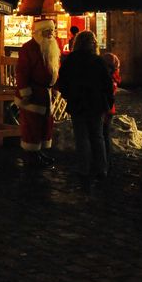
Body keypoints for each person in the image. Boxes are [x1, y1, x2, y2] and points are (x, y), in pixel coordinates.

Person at [56, 30, 114, 181]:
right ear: (93, 44)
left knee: (81, 137)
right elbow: (107, 84)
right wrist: (108, 102)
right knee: (97, 136)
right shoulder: (98, 61)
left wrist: (69, 94)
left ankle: (84, 168)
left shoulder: (70, 60)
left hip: (77, 102)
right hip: (96, 103)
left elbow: (61, 82)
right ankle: (101, 168)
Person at [15, 19, 61, 166]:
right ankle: (31, 155)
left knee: (44, 125)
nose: (50, 34)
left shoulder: (51, 48)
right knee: (32, 126)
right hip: (32, 95)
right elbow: (22, 72)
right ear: (40, 32)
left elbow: (54, 70)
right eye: (47, 31)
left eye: (52, 31)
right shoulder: (28, 48)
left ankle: (39, 152)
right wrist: (25, 92)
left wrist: (54, 87)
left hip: (45, 94)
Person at [101, 52, 121, 168]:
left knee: (104, 134)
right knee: (105, 134)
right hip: (109, 109)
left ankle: (106, 159)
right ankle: (107, 159)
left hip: (106, 109)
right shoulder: (114, 76)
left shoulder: (109, 78)